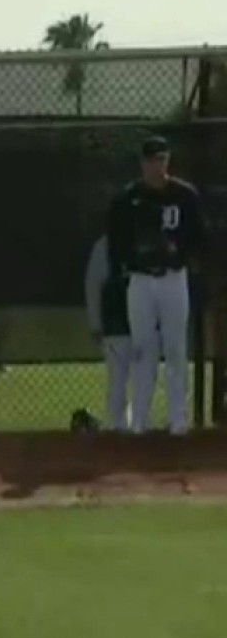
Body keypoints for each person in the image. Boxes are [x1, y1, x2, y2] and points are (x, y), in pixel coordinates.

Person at [106, 134, 206, 434]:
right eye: (151, 161)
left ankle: (178, 418)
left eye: (161, 160)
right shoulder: (128, 197)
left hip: (173, 279)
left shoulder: (185, 194)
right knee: (142, 349)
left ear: (168, 161)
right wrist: (129, 264)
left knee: (175, 348)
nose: (156, 166)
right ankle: (140, 418)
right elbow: (117, 242)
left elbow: (198, 236)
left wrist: (180, 255)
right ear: (142, 163)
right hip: (140, 280)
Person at [83, 233, 132, 430]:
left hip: (142, 322)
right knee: (118, 379)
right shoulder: (105, 245)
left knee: (144, 378)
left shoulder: (149, 238)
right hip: (116, 323)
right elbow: (93, 284)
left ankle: (140, 427)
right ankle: (120, 427)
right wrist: (96, 323)